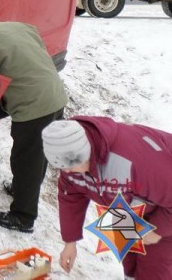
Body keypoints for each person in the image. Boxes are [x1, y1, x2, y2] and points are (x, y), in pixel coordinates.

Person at [0, 7, 67, 232]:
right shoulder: (19, 27)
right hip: (55, 97)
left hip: (34, 108)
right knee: (38, 155)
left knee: (26, 160)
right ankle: (22, 191)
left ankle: (23, 217)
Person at [42, 117, 172, 280]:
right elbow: (71, 196)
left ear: (85, 152)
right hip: (127, 204)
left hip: (165, 209)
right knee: (129, 254)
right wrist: (70, 242)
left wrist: (158, 230)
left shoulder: (133, 161)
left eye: (70, 166)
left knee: (153, 267)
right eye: (62, 167)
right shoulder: (71, 162)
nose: (67, 172)